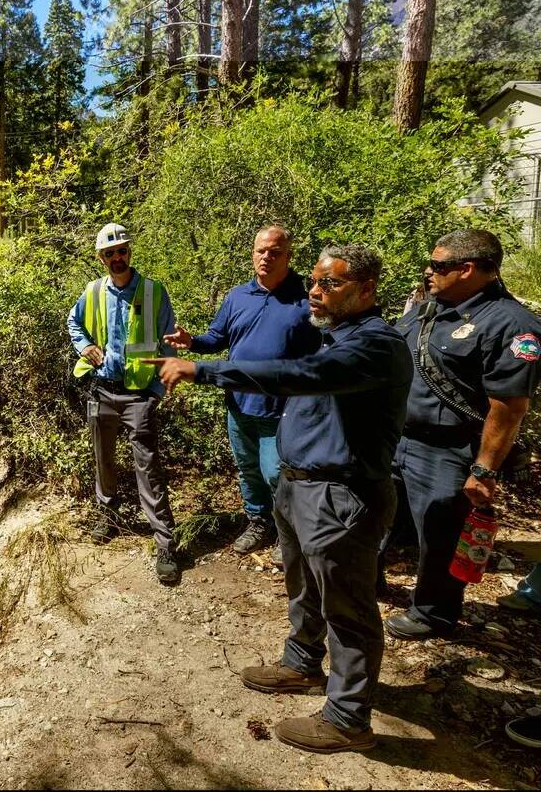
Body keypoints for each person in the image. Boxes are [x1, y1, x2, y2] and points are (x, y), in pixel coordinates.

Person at [142, 244, 413, 754]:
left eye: (329, 283)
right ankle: (302, 663)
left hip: (341, 495)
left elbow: (297, 375)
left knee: (348, 608)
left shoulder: (375, 345)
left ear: (366, 289)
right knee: (304, 586)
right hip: (299, 487)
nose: (315, 291)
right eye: (314, 281)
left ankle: (348, 719)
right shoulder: (333, 335)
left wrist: (204, 369)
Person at [383, 229, 541, 641]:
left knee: (440, 535)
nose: (427, 272)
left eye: (437, 265)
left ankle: (434, 613)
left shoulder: (513, 325)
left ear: (467, 269)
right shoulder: (428, 308)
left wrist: (484, 470)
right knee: (380, 516)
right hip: (399, 439)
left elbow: (508, 410)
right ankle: (370, 580)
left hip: (448, 449)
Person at [164, 225, 319, 553]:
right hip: (238, 405)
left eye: (274, 252)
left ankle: (287, 533)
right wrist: (192, 342)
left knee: (277, 473)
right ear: (252, 254)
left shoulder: (307, 300)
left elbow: (322, 356)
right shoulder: (237, 296)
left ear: (288, 256)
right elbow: (216, 339)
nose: (266, 257)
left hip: (282, 409)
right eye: (260, 251)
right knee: (249, 470)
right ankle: (258, 522)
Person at [67, 222, 180, 584]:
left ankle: (164, 541)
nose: (117, 257)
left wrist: (156, 393)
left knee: (148, 467)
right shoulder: (94, 291)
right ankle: (109, 517)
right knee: (103, 460)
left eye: (122, 251)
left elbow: (167, 343)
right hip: (101, 390)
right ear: (101, 258)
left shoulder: (153, 291)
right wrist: (84, 346)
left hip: (139, 396)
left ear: (130, 252)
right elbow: (74, 322)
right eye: (110, 253)